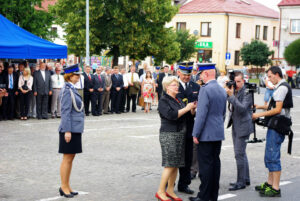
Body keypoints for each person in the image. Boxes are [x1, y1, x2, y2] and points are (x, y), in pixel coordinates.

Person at [252, 66, 293, 197]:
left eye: (270, 76)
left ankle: (275, 188)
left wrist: (258, 115)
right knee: (270, 155)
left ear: (276, 74)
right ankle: (270, 184)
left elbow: (277, 110)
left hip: (278, 126)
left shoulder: (281, 88)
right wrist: (260, 106)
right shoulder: (281, 87)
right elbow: (274, 106)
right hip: (276, 125)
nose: (269, 79)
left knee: (273, 156)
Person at [190, 63, 227, 201]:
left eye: (200, 74)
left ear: (206, 74)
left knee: (205, 167)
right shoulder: (221, 89)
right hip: (217, 133)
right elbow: (223, 114)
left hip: (205, 134)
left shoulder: (205, 89)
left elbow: (201, 114)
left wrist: (196, 133)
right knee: (215, 165)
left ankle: (204, 196)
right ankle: (212, 195)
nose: (200, 77)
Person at [156, 76, 196, 201]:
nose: (177, 87)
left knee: (176, 165)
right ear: (167, 87)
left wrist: (192, 110)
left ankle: (170, 190)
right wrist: (186, 108)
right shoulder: (163, 100)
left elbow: (187, 114)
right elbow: (172, 115)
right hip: (169, 134)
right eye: (174, 85)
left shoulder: (178, 99)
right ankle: (160, 191)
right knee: (169, 164)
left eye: (177, 85)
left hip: (180, 134)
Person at [58, 64, 84, 198]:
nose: (78, 77)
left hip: (75, 128)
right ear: (70, 76)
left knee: (70, 158)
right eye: (76, 75)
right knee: (67, 158)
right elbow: (65, 112)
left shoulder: (71, 88)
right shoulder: (67, 90)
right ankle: (63, 186)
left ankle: (67, 185)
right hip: (69, 129)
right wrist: (67, 131)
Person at [225, 71, 253, 191]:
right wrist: (228, 91)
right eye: (234, 81)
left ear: (243, 81)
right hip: (236, 125)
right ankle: (245, 178)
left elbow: (241, 108)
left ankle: (240, 182)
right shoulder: (234, 90)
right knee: (242, 153)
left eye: (238, 82)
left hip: (243, 126)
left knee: (238, 154)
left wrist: (231, 96)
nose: (236, 84)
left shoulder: (247, 92)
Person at [176, 62, 200, 195]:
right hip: (177, 125)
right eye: (184, 75)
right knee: (174, 157)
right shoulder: (173, 85)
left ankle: (184, 184)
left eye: (189, 75)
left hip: (190, 125)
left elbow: (198, 105)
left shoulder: (196, 86)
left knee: (187, 157)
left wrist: (194, 111)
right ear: (179, 72)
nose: (186, 77)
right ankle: (170, 184)